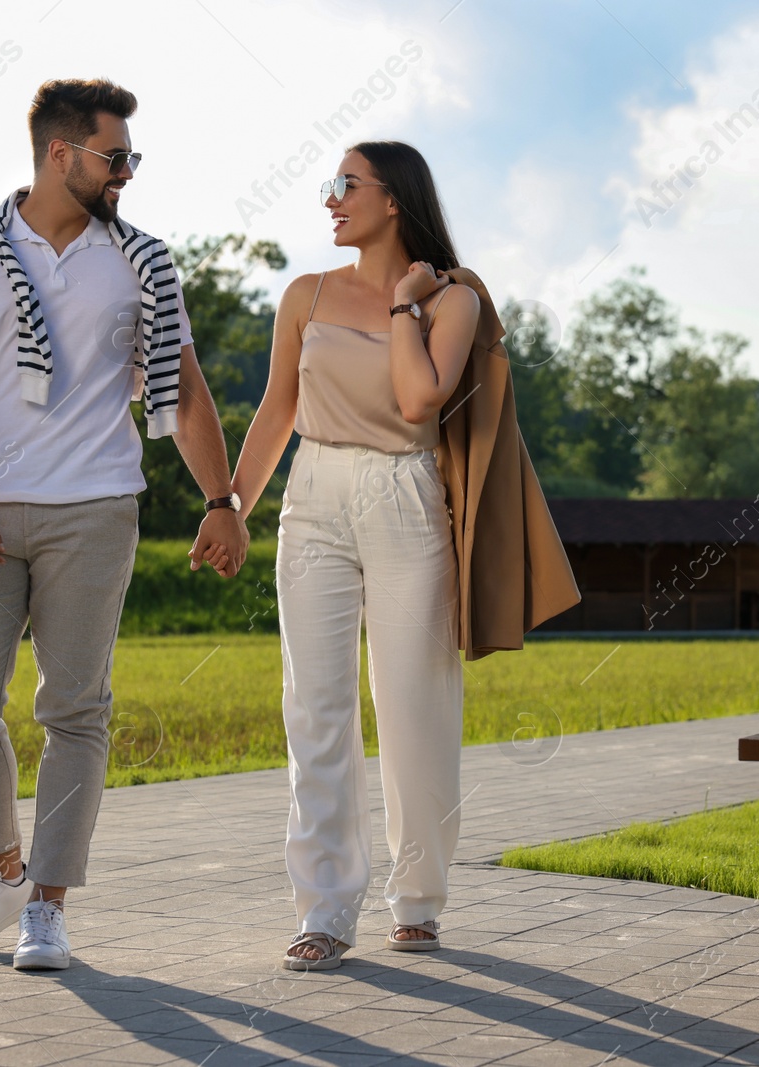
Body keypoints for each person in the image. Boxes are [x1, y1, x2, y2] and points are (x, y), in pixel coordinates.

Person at [0, 78, 246, 971]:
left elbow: (183, 386)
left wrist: (223, 501)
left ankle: (47, 905)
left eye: (131, 157)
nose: (127, 172)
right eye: (114, 156)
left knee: (75, 709)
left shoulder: (143, 261)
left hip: (95, 509)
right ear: (62, 154)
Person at [230, 140, 481, 969]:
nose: (330, 199)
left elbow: (419, 398)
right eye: (329, 185)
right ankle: (327, 908)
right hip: (313, 496)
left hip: (407, 495)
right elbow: (276, 410)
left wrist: (407, 306)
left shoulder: (452, 300)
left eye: (346, 185)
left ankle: (417, 900)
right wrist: (229, 506)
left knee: (415, 703)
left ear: (394, 199)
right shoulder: (305, 295)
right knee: (316, 705)